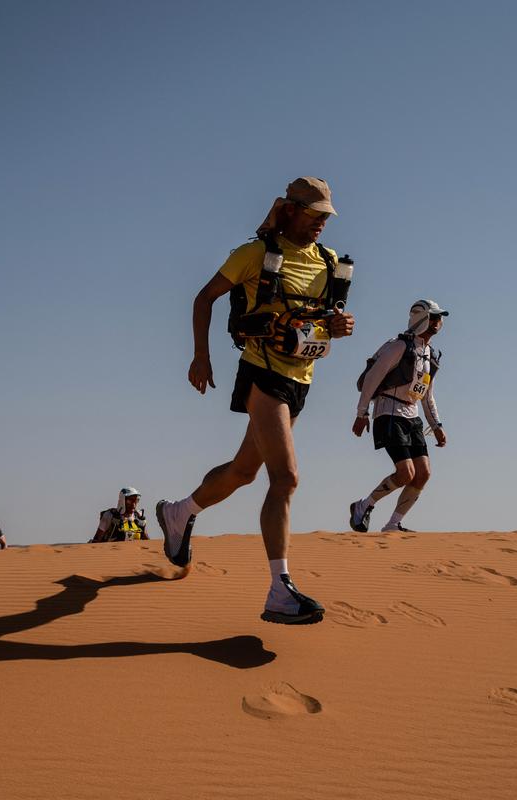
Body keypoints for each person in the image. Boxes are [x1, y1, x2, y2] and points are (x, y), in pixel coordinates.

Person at [155, 176, 355, 625]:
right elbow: (204, 298)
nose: (322, 222)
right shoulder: (254, 255)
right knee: (285, 479)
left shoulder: (329, 262)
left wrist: (337, 328)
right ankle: (278, 591)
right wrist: (200, 356)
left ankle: (179, 512)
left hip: (301, 379)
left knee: (245, 471)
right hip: (262, 374)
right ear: (290, 210)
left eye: (326, 215)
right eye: (315, 213)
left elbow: (320, 322)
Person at [349, 300, 447, 533]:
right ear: (421, 318)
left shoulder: (429, 354)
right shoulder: (398, 347)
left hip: (412, 417)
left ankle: (393, 523)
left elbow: (427, 394)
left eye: (439, 318)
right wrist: (362, 413)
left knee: (423, 474)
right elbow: (372, 378)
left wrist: (436, 425)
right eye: (433, 317)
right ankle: (364, 505)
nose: (438, 322)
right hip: (389, 413)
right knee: (406, 473)